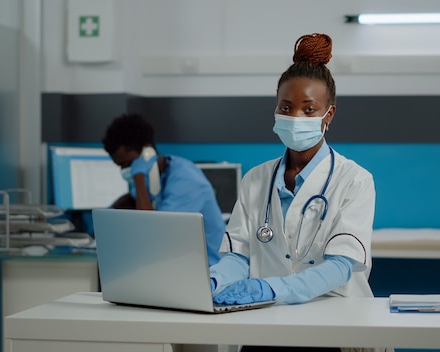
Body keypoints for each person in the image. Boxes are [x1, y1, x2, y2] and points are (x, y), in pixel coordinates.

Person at [209, 33, 377, 352]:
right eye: (286, 108)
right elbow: (239, 254)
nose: (295, 118)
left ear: (329, 115)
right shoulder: (257, 179)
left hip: (335, 329)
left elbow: (341, 267)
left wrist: (273, 289)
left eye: (308, 109)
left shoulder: (354, 180)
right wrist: (215, 280)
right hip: (268, 327)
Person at [102, 113, 226, 266]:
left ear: (147, 153)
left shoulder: (187, 182)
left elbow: (153, 234)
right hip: (176, 262)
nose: (125, 170)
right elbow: (130, 199)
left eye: (128, 164)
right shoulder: (158, 175)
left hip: (209, 271)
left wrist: (139, 177)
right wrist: (105, 218)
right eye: (120, 166)